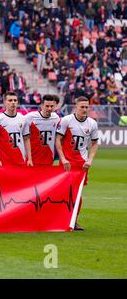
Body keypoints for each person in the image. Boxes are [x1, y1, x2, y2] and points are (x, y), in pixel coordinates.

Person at [56, 96, 99, 231]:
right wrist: (62, 158)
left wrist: (90, 160)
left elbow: (94, 143)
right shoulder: (66, 120)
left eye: (87, 107)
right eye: (82, 107)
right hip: (67, 163)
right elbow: (58, 140)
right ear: (76, 107)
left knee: (77, 193)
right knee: (62, 192)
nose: (84, 109)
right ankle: (59, 219)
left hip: (81, 164)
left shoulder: (92, 123)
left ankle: (73, 221)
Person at [0, 91, 33, 167]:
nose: (13, 102)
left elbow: (26, 139)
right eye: (10, 100)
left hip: (21, 159)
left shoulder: (23, 118)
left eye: (15, 100)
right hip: (4, 160)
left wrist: (30, 158)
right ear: (5, 102)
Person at [24, 94, 60, 166]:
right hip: (32, 159)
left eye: (51, 106)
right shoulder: (30, 117)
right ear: (42, 106)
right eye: (47, 106)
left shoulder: (56, 118)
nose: (49, 108)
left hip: (49, 159)